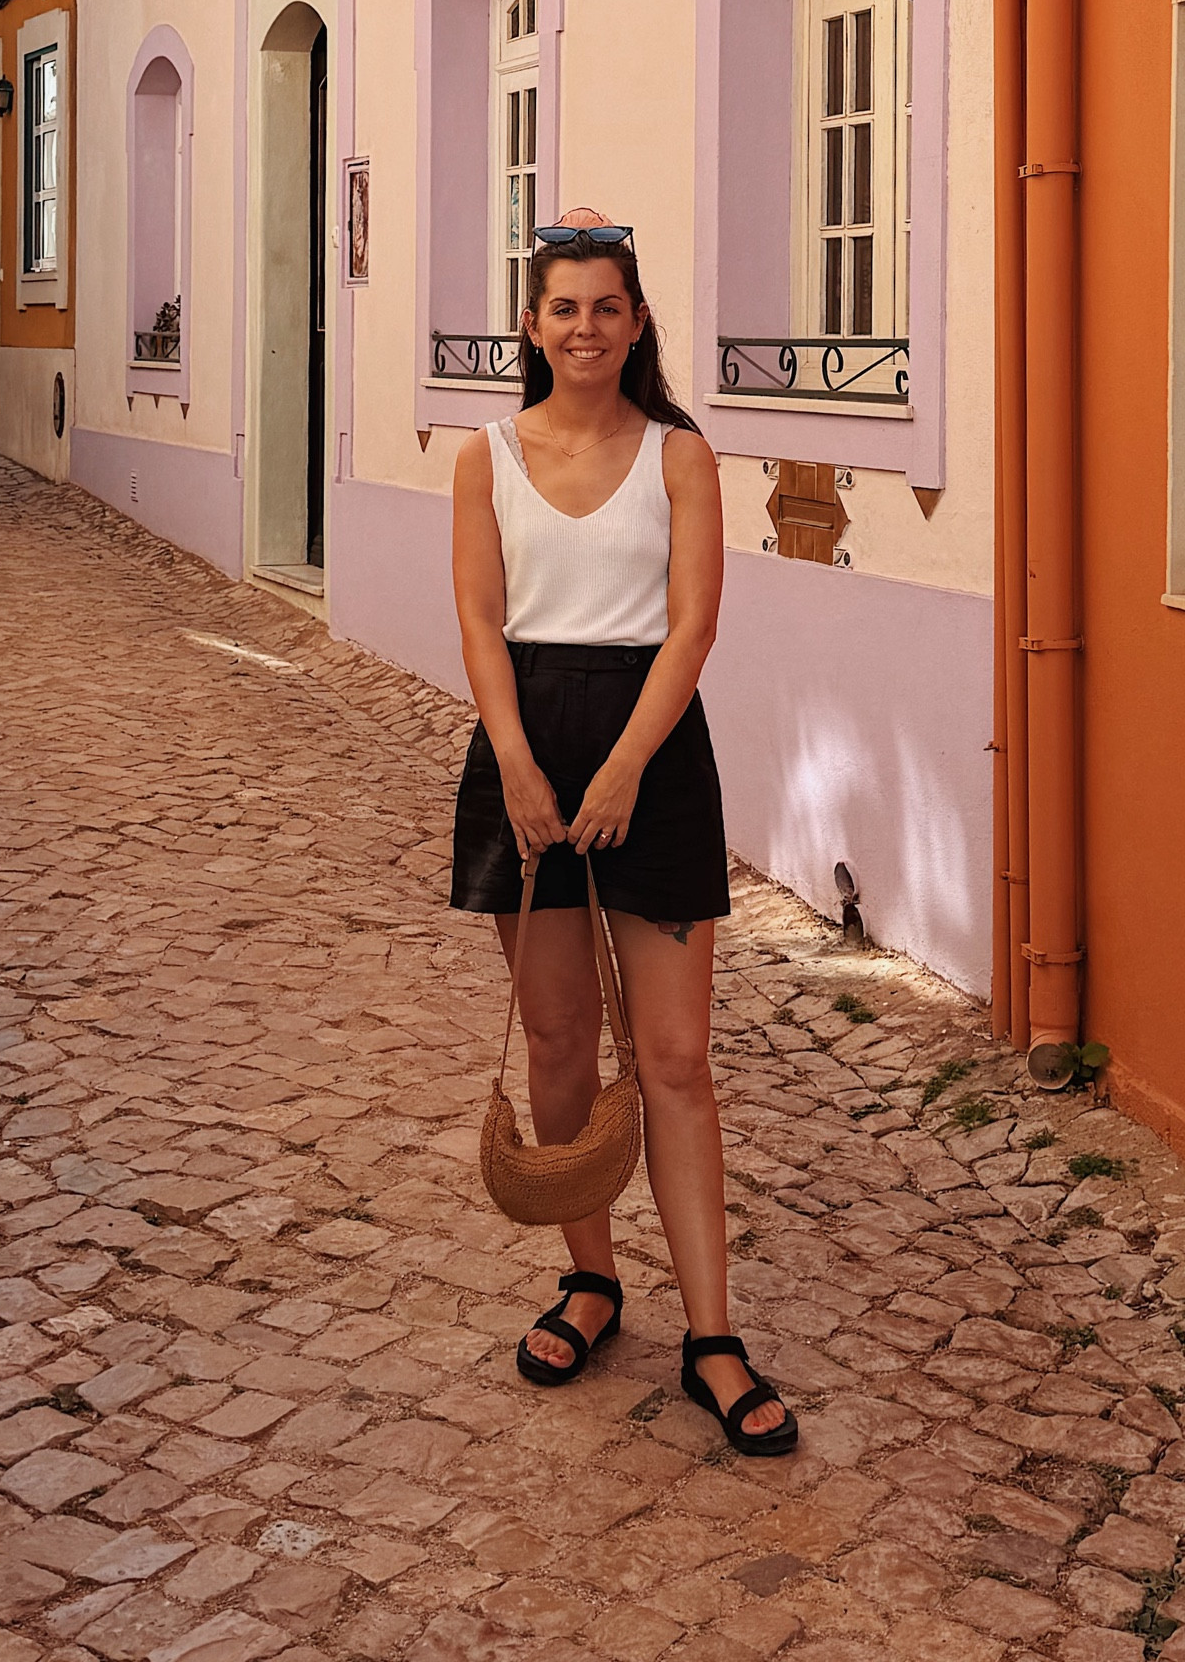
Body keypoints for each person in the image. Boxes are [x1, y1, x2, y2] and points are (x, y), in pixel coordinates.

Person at [449, 208, 797, 1457]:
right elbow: (482, 625)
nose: (585, 327)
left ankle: (713, 1334)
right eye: (563, 308)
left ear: (636, 321)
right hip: (525, 746)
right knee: (555, 1042)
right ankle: (590, 1280)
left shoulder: (680, 456)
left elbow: (692, 627)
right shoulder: (485, 453)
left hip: (652, 748)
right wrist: (520, 764)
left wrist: (627, 766)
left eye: (607, 306)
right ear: (531, 327)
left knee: (676, 1055)